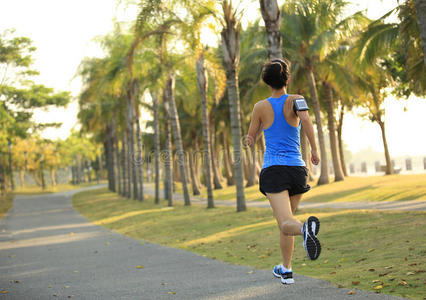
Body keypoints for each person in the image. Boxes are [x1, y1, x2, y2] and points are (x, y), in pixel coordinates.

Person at [245, 58, 321, 285]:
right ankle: (286, 270)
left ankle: (306, 229)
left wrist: (249, 139)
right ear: (287, 79)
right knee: (285, 221)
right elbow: (306, 121)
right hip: (298, 170)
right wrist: (314, 150)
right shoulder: (297, 100)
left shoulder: (260, 107)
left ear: (267, 83)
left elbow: (251, 137)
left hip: (275, 170)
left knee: (287, 223)